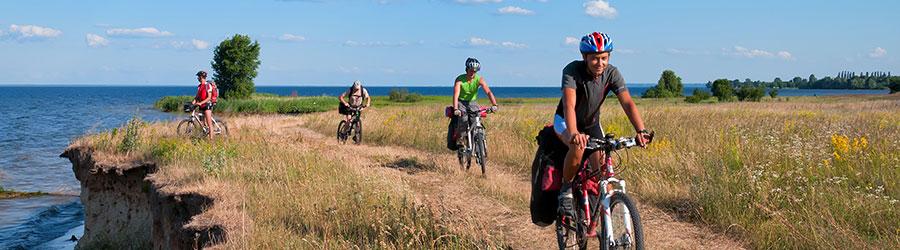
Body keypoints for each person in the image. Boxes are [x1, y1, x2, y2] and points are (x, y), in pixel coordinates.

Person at [554, 32, 652, 218]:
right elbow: (569, 104)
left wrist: (641, 130)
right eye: (594, 59)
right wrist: (574, 133)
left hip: (591, 124)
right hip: (566, 121)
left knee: (604, 178)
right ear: (584, 57)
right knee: (577, 146)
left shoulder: (611, 73)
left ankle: (607, 232)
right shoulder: (572, 71)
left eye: (604, 58)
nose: (600, 63)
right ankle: (566, 190)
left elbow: (628, 103)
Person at [452, 58, 499, 146]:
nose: (473, 73)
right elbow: (456, 94)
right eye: (471, 70)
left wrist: (494, 104)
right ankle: (460, 138)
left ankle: (478, 141)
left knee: (476, 119)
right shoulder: (460, 79)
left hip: (472, 102)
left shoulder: (479, 79)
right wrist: (455, 108)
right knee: (463, 118)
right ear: (466, 69)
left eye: (475, 71)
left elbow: (488, 92)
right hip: (461, 101)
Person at [191, 70, 215, 138]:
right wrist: (194, 101)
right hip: (201, 105)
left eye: (198, 77)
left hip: (207, 105)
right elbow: (198, 96)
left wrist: (201, 102)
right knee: (201, 122)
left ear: (201, 77)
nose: (198, 78)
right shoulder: (199, 86)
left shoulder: (208, 86)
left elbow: (209, 97)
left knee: (209, 122)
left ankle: (211, 139)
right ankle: (203, 135)